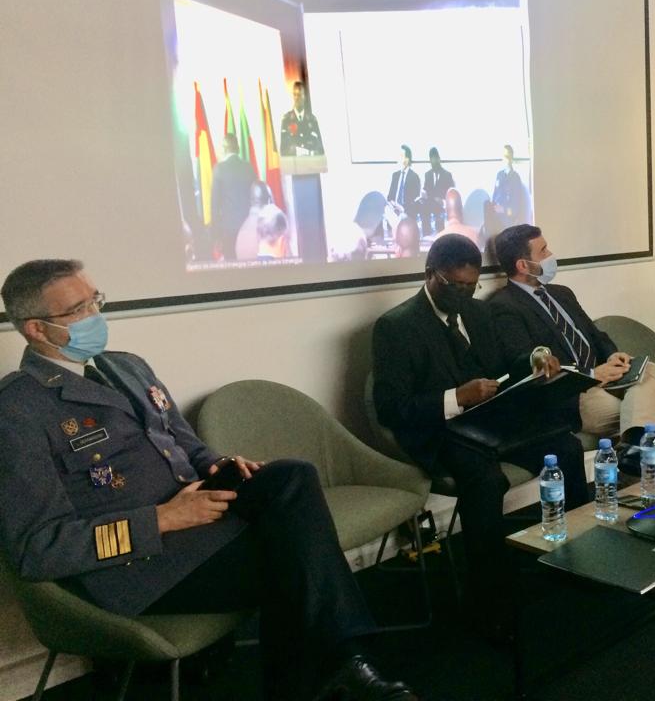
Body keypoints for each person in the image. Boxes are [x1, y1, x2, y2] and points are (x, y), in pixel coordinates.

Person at [0, 260, 416, 701]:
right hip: (142, 565)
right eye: (78, 310)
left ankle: (331, 673)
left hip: (201, 518)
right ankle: (342, 665)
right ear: (37, 329)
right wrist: (163, 518)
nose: (95, 316)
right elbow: (37, 549)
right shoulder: (18, 409)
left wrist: (218, 464)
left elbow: (182, 440)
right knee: (296, 559)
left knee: (292, 476)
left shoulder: (127, 367)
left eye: (95, 301)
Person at [371, 235, 586, 635]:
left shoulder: (478, 312)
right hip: (439, 431)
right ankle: (490, 603)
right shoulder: (396, 327)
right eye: (455, 286)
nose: (463, 295)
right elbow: (391, 408)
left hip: (492, 420)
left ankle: (579, 554)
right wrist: (456, 397)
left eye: (471, 286)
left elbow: (505, 363)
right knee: (486, 481)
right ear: (430, 274)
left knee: (566, 448)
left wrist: (535, 358)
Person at [489, 224, 655, 444]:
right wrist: (591, 374)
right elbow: (529, 366)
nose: (550, 255)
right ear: (523, 265)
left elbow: (594, 334)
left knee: (652, 371)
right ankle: (639, 445)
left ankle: (634, 447)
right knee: (638, 412)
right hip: (574, 393)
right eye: (543, 251)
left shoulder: (562, 293)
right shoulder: (504, 306)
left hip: (605, 375)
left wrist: (612, 355)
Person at [210, 133, 256, 261]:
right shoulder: (249, 168)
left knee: (232, 264)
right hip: (248, 227)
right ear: (238, 148)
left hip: (228, 230)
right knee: (249, 263)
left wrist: (215, 235)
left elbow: (214, 205)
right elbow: (255, 198)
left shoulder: (219, 169)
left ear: (224, 149)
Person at [486, 144, 529, 232]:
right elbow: (495, 195)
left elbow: (516, 206)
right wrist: (492, 208)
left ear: (511, 158)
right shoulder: (499, 174)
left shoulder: (515, 177)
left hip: (507, 219)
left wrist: (503, 210)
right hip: (496, 216)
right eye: (504, 156)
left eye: (507, 156)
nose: (505, 159)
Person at [413, 147, 454, 237]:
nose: (433, 161)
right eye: (431, 159)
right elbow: (425, 189)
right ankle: (426, 235)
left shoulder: (447, 175)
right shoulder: (427, 175)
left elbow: (451, 193)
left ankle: (440, 236)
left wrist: (443, 201)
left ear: (439, 159)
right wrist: (423, 194)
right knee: (420, 206)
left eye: (435, 159)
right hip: (430, 202)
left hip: (441, 205)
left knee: (438, 213)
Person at [279, 81, 324, 156]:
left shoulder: (312, 120)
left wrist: (311, 153)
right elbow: (283, 149)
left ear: (304, 97)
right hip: (293, 162)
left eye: (299, 95)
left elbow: (320, 148)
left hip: (310, 162)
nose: (297, 98)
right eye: (295, 95)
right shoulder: (286, 120)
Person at [386, 145, 421, 218]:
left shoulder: (414, 177)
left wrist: (403, 209)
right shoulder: (395, 175)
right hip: (393, 213)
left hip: (406, 214)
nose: (399, 159)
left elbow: (416, 201)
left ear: (407, 159)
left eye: (402, 156)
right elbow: (389, 197)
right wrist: (392, 205)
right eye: (399, 156)